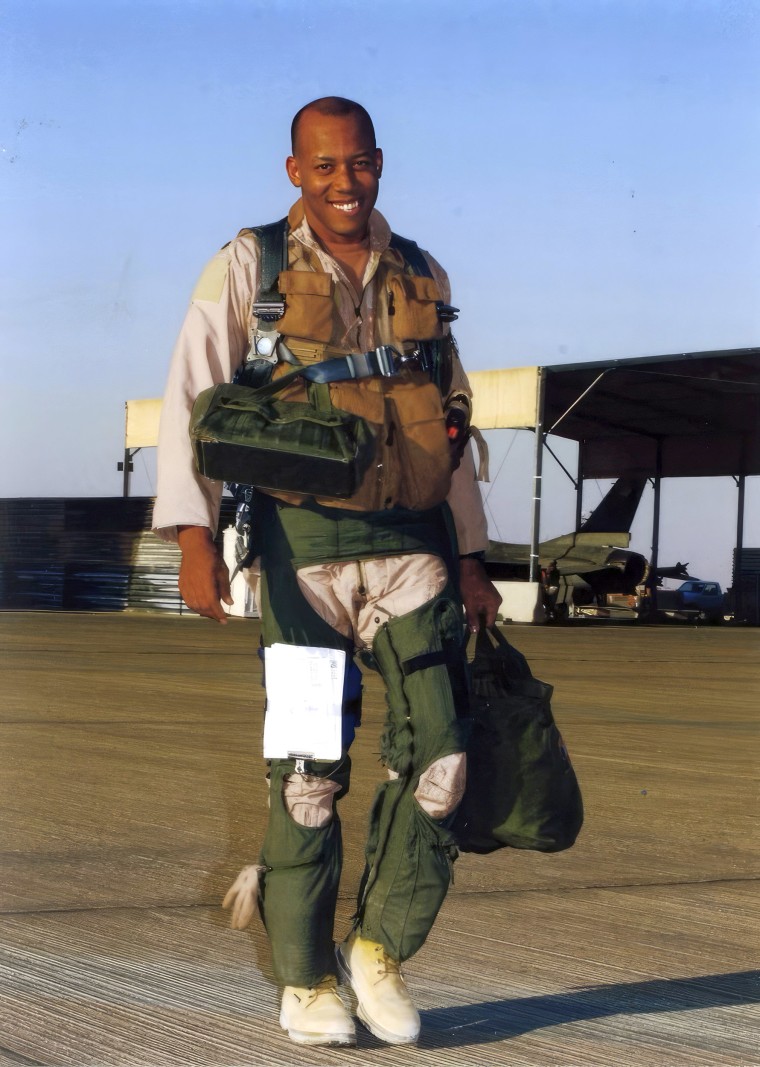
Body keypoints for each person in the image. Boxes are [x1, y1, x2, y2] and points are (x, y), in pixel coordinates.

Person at [153, 96, 501, 1048]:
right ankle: (305, 977)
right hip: (301, 552)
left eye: (361, 163)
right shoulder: (249, 265)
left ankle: (377, 948)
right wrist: (191, 537)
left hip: (413, 546)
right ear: (294, 171)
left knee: (444, 757)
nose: (346, 182)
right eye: (325, 165)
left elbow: (453, 423)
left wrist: (473, 556)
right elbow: (193, 393)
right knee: (308, 773)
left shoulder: (422, 273)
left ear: (380, 162)